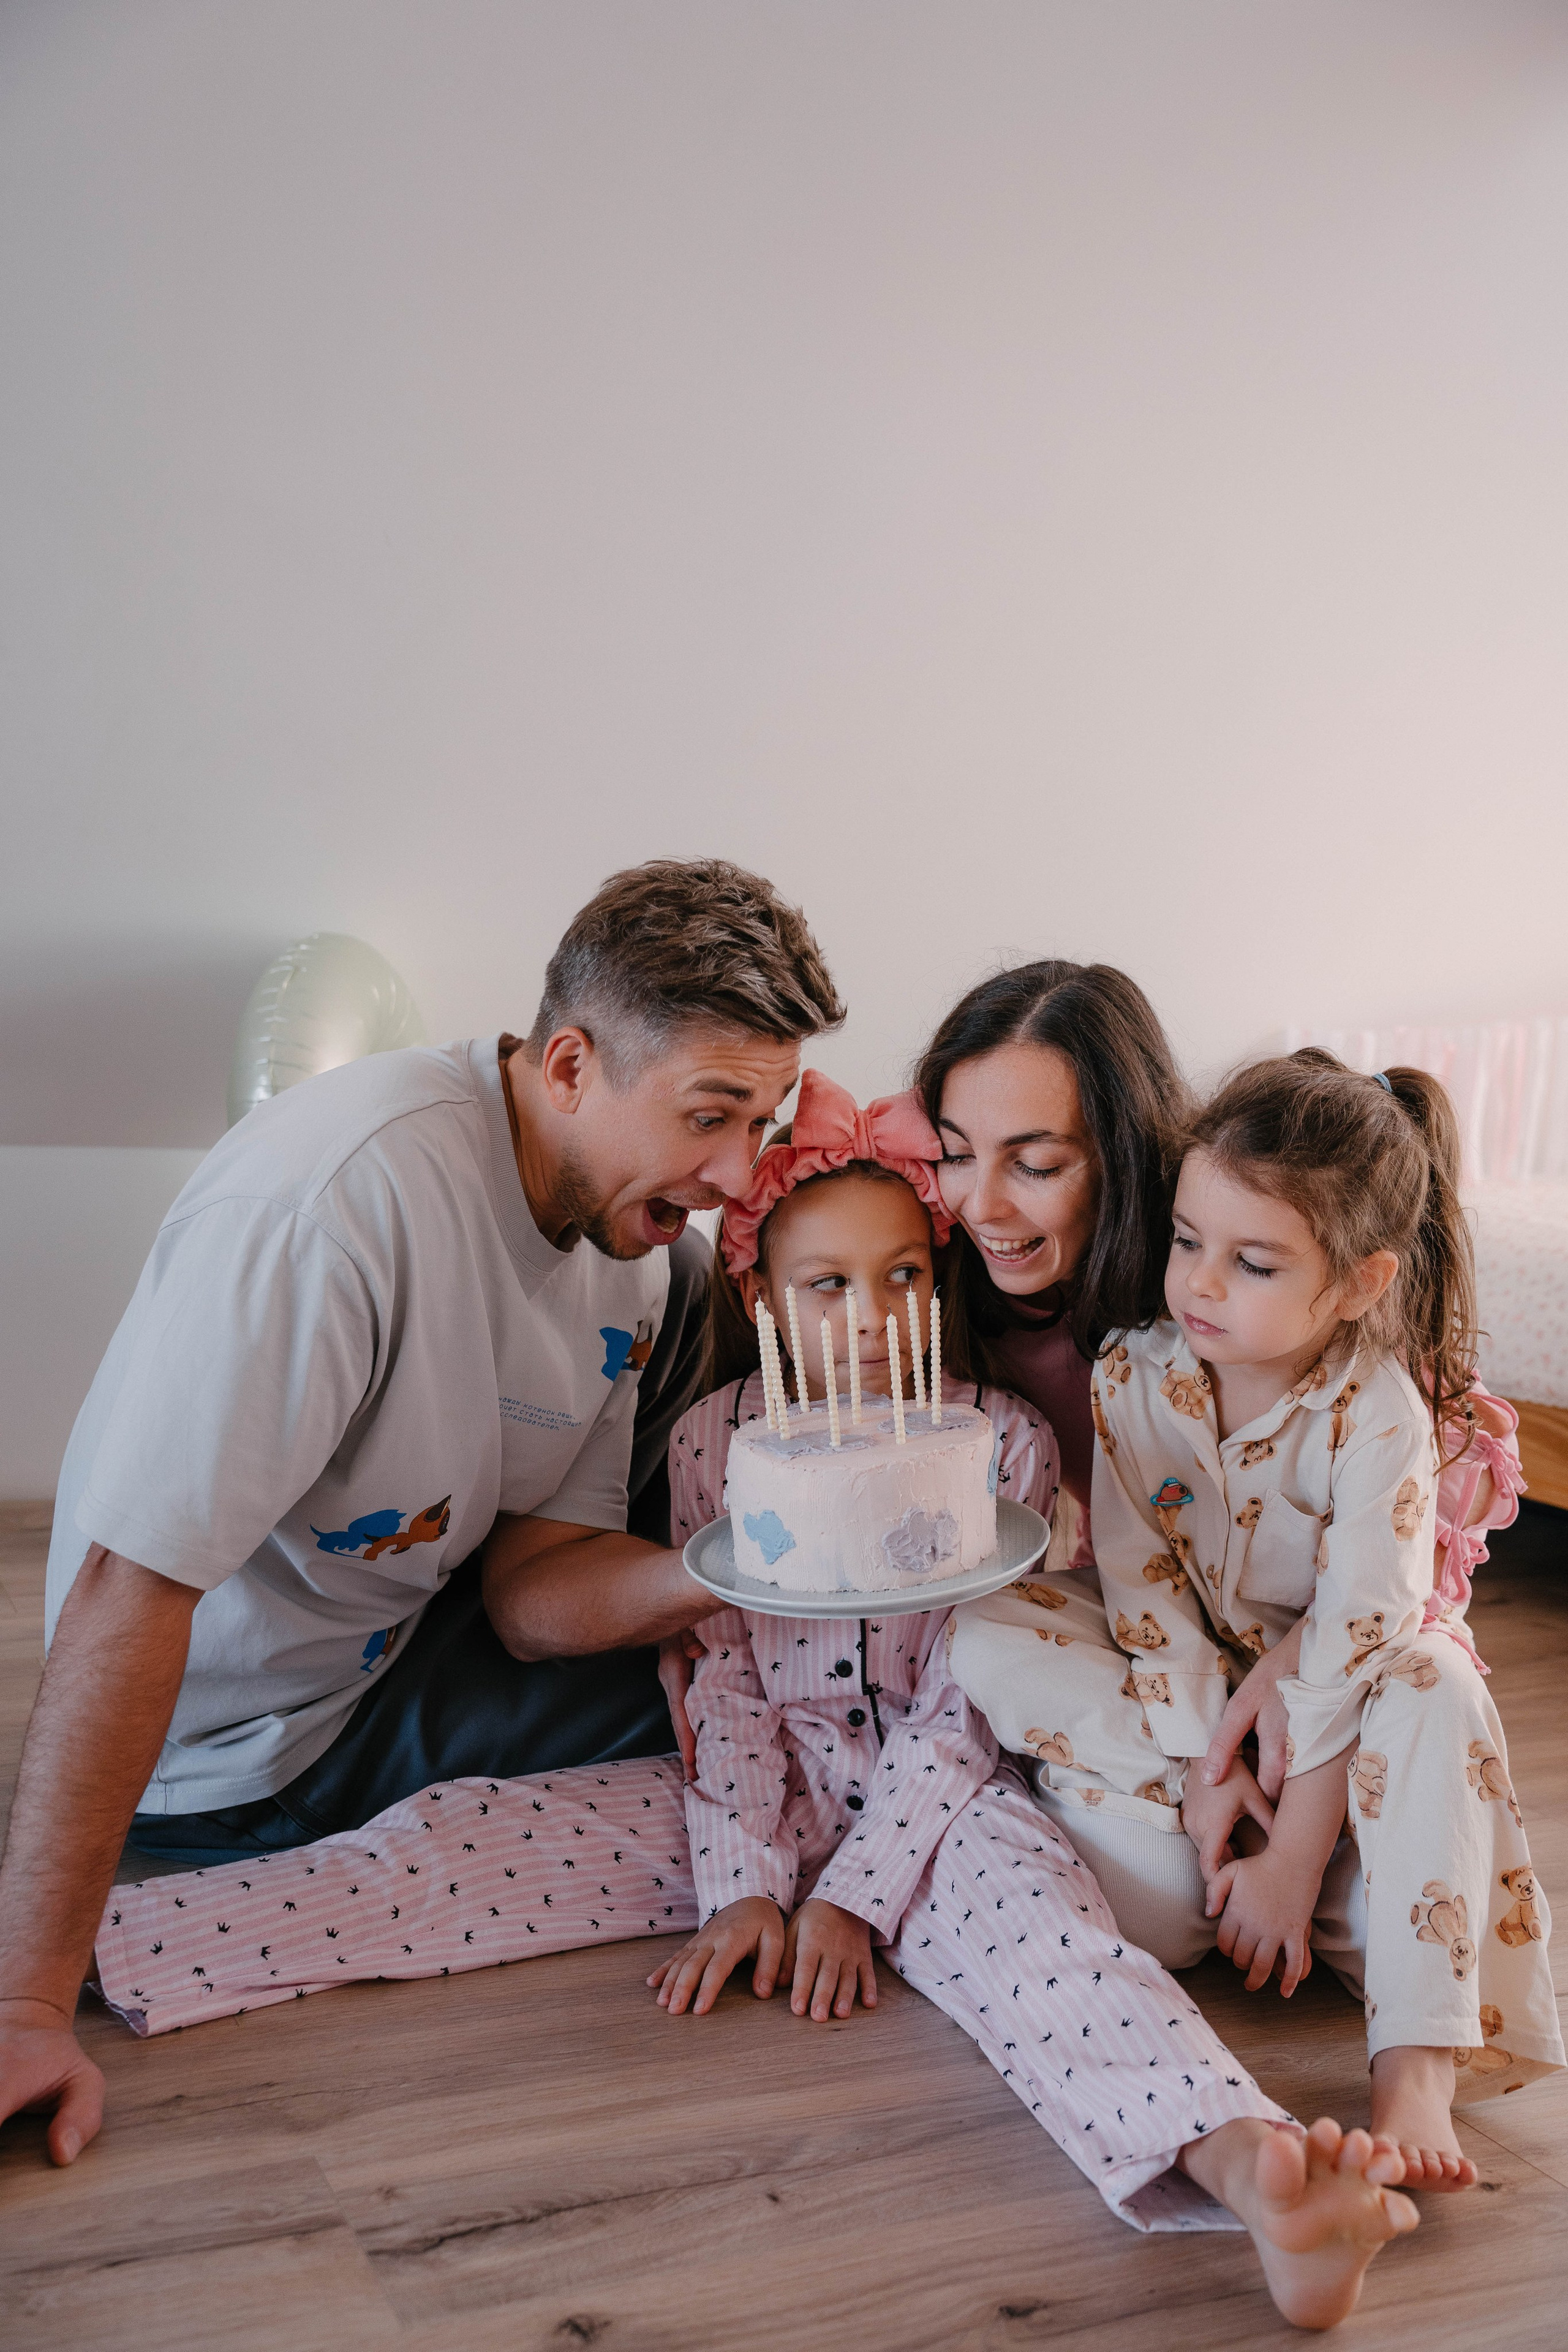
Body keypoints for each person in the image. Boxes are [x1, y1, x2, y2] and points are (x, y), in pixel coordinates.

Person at [94, 1075, 1419, 2331]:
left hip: (943, 1803)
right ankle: (106, 1959)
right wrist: (742, 1875)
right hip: (741, 1784)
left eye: (903, 1277)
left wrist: (853, 1893)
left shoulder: (995, 1443)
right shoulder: (712, 1443)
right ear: (765, 1299)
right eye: (827, 1285)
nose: (871, 1315)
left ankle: (1257, 2175)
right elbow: (713, 1669)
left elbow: (975, 1701)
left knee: (1056, 1958)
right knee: (458, 1841)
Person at [0, 857, 843, 2168]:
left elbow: (533, 1586)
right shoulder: (331, 1211)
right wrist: (25, 2004)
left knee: (801, 1684)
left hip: (396, 1643)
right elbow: (128, 1586)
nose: (739, 1172)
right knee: (795, 1742)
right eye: (711, 1113)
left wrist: (733, 1570)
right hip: (234, 1756)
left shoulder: (620, 1248)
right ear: (568, 1065)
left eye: (767, 1116)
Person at [951, 1051, 1564, 2194]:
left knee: (1436, 1678)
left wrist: (1290, 1853)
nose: (1201, 1284)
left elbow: (1359, 1639)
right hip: (1202, 1710)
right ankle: (1244, 1884)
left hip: (1348, 1710)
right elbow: (1143, 1589)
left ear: (1358, 1283)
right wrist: (1205, 1771)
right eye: (1189, 1242)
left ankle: (1413, 2064)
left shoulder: (1379, 1411)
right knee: (991, 1615)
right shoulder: (1133, 1373)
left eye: (1254, 1262)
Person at [916, 961, 1525, 1961]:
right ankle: (1236, 1830)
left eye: (1034, 1163)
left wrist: (1292, 1673)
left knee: (1401, 1777)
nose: (977, 1203)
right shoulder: (997, 1309)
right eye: (953, 1154)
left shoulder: (1292, 1302)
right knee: (997, 1648)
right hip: (1169, 1658)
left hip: (1333, 1644)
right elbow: (1135, 1578)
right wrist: (1211, 1753)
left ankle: (1299, 1857)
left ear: (1119, 1158)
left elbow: (1402, 1569)